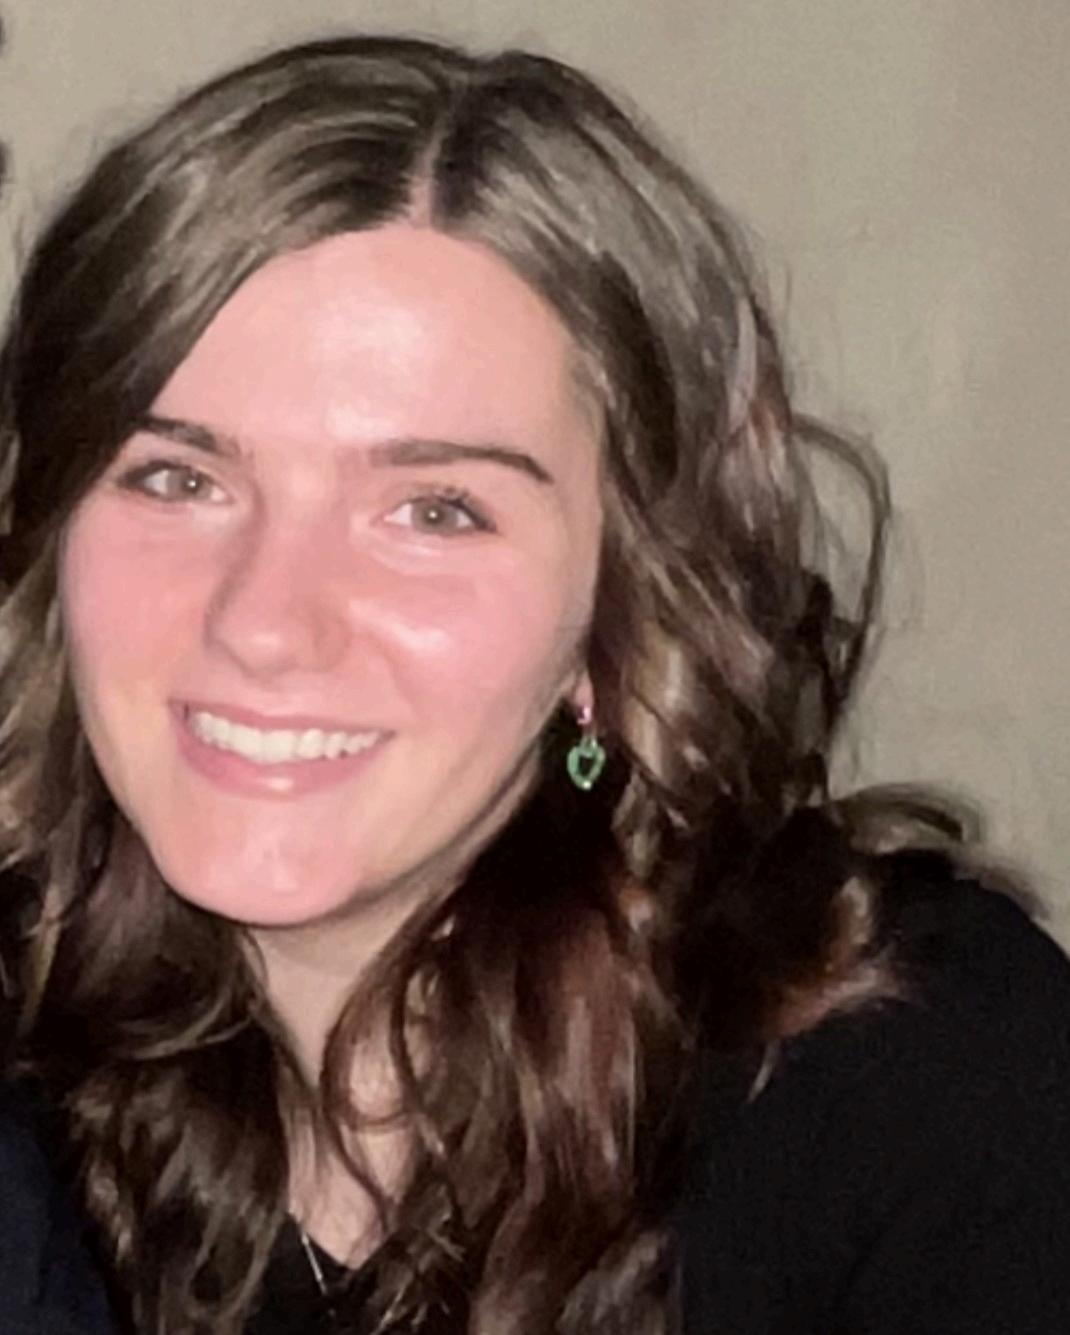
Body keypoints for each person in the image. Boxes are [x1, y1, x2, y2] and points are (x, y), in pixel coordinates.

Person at [0, 32, 1068, 1335]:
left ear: (619, 617)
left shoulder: (915, 1090)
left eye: (434, 511)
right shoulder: (31, 1106)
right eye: (178, 477)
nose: (266, 623)